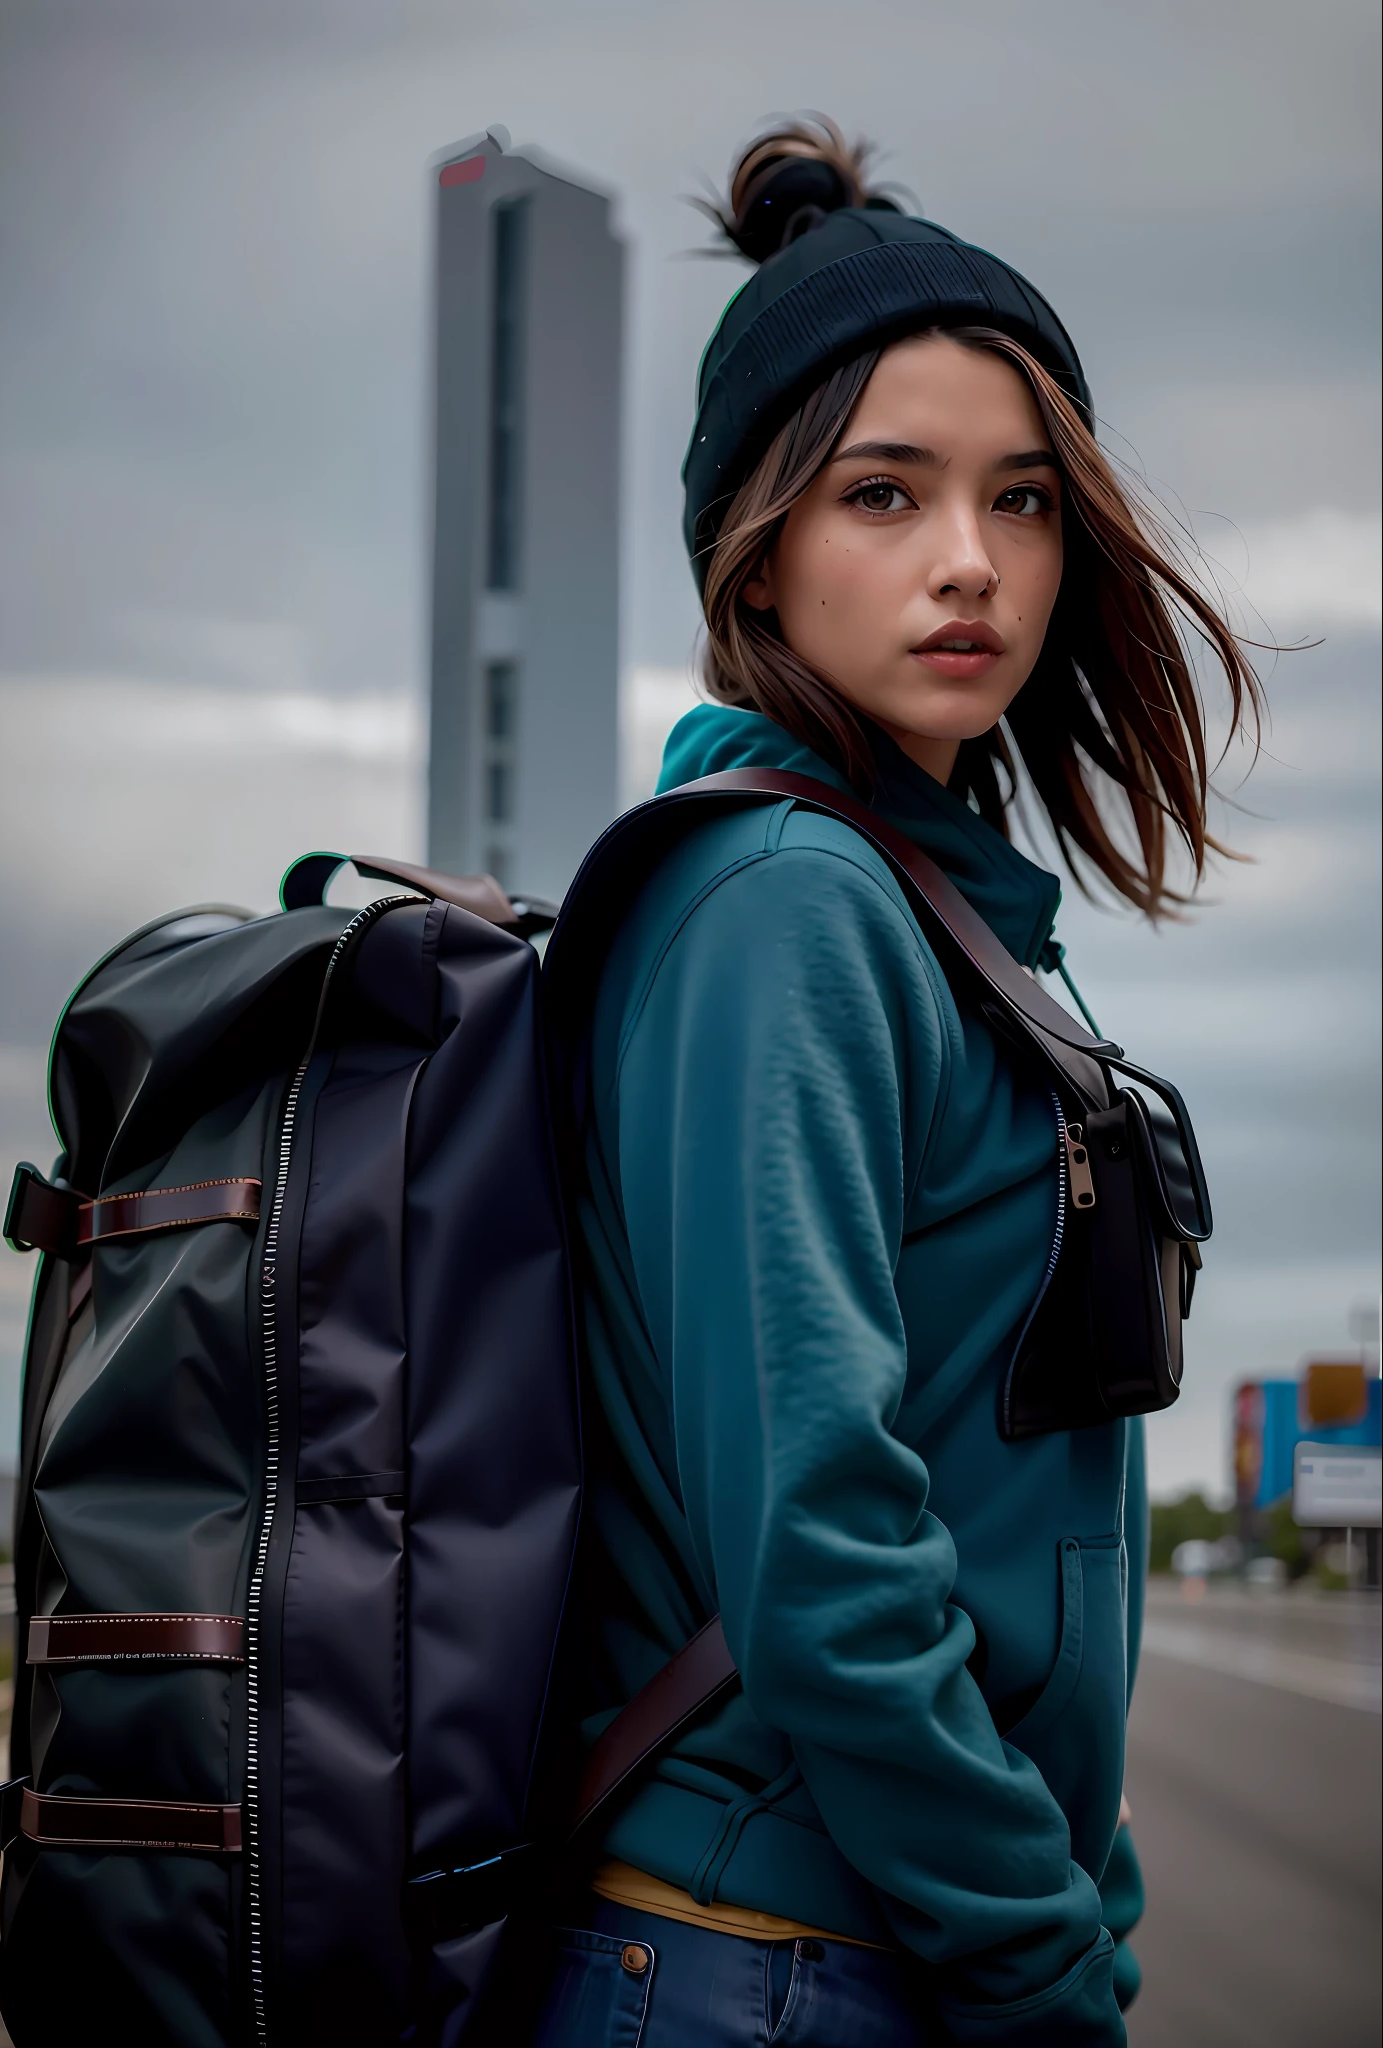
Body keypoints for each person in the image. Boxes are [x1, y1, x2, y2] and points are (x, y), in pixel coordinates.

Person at [532, 119, 1258, 2046]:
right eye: (884, 493)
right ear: (753, 560)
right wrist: (1043, 1962)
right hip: (761, 1964)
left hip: (859, 1949)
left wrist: (1071, 1898)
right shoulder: (787, 903)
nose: (970, 564)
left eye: (1023, 501)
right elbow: (824, 1545)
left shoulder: (944, 919)